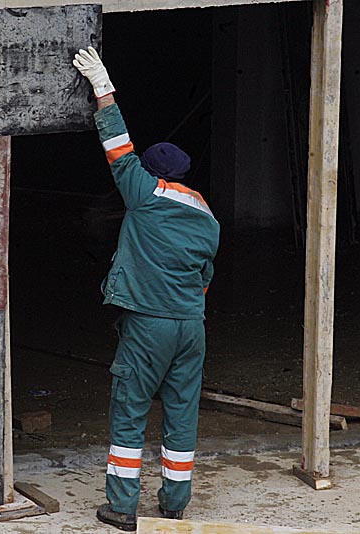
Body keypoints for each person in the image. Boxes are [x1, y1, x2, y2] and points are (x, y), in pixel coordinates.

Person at [73, 48, 220, 531]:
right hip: (191, 327)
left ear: (153, 172)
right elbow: (204, 278)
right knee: (182, 412)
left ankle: (122, 506)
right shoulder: (206, 215)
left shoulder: (144, 193)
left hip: (150, 325)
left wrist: (103, 87)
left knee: (130, 409)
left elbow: (117, 144)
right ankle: (175, 503)